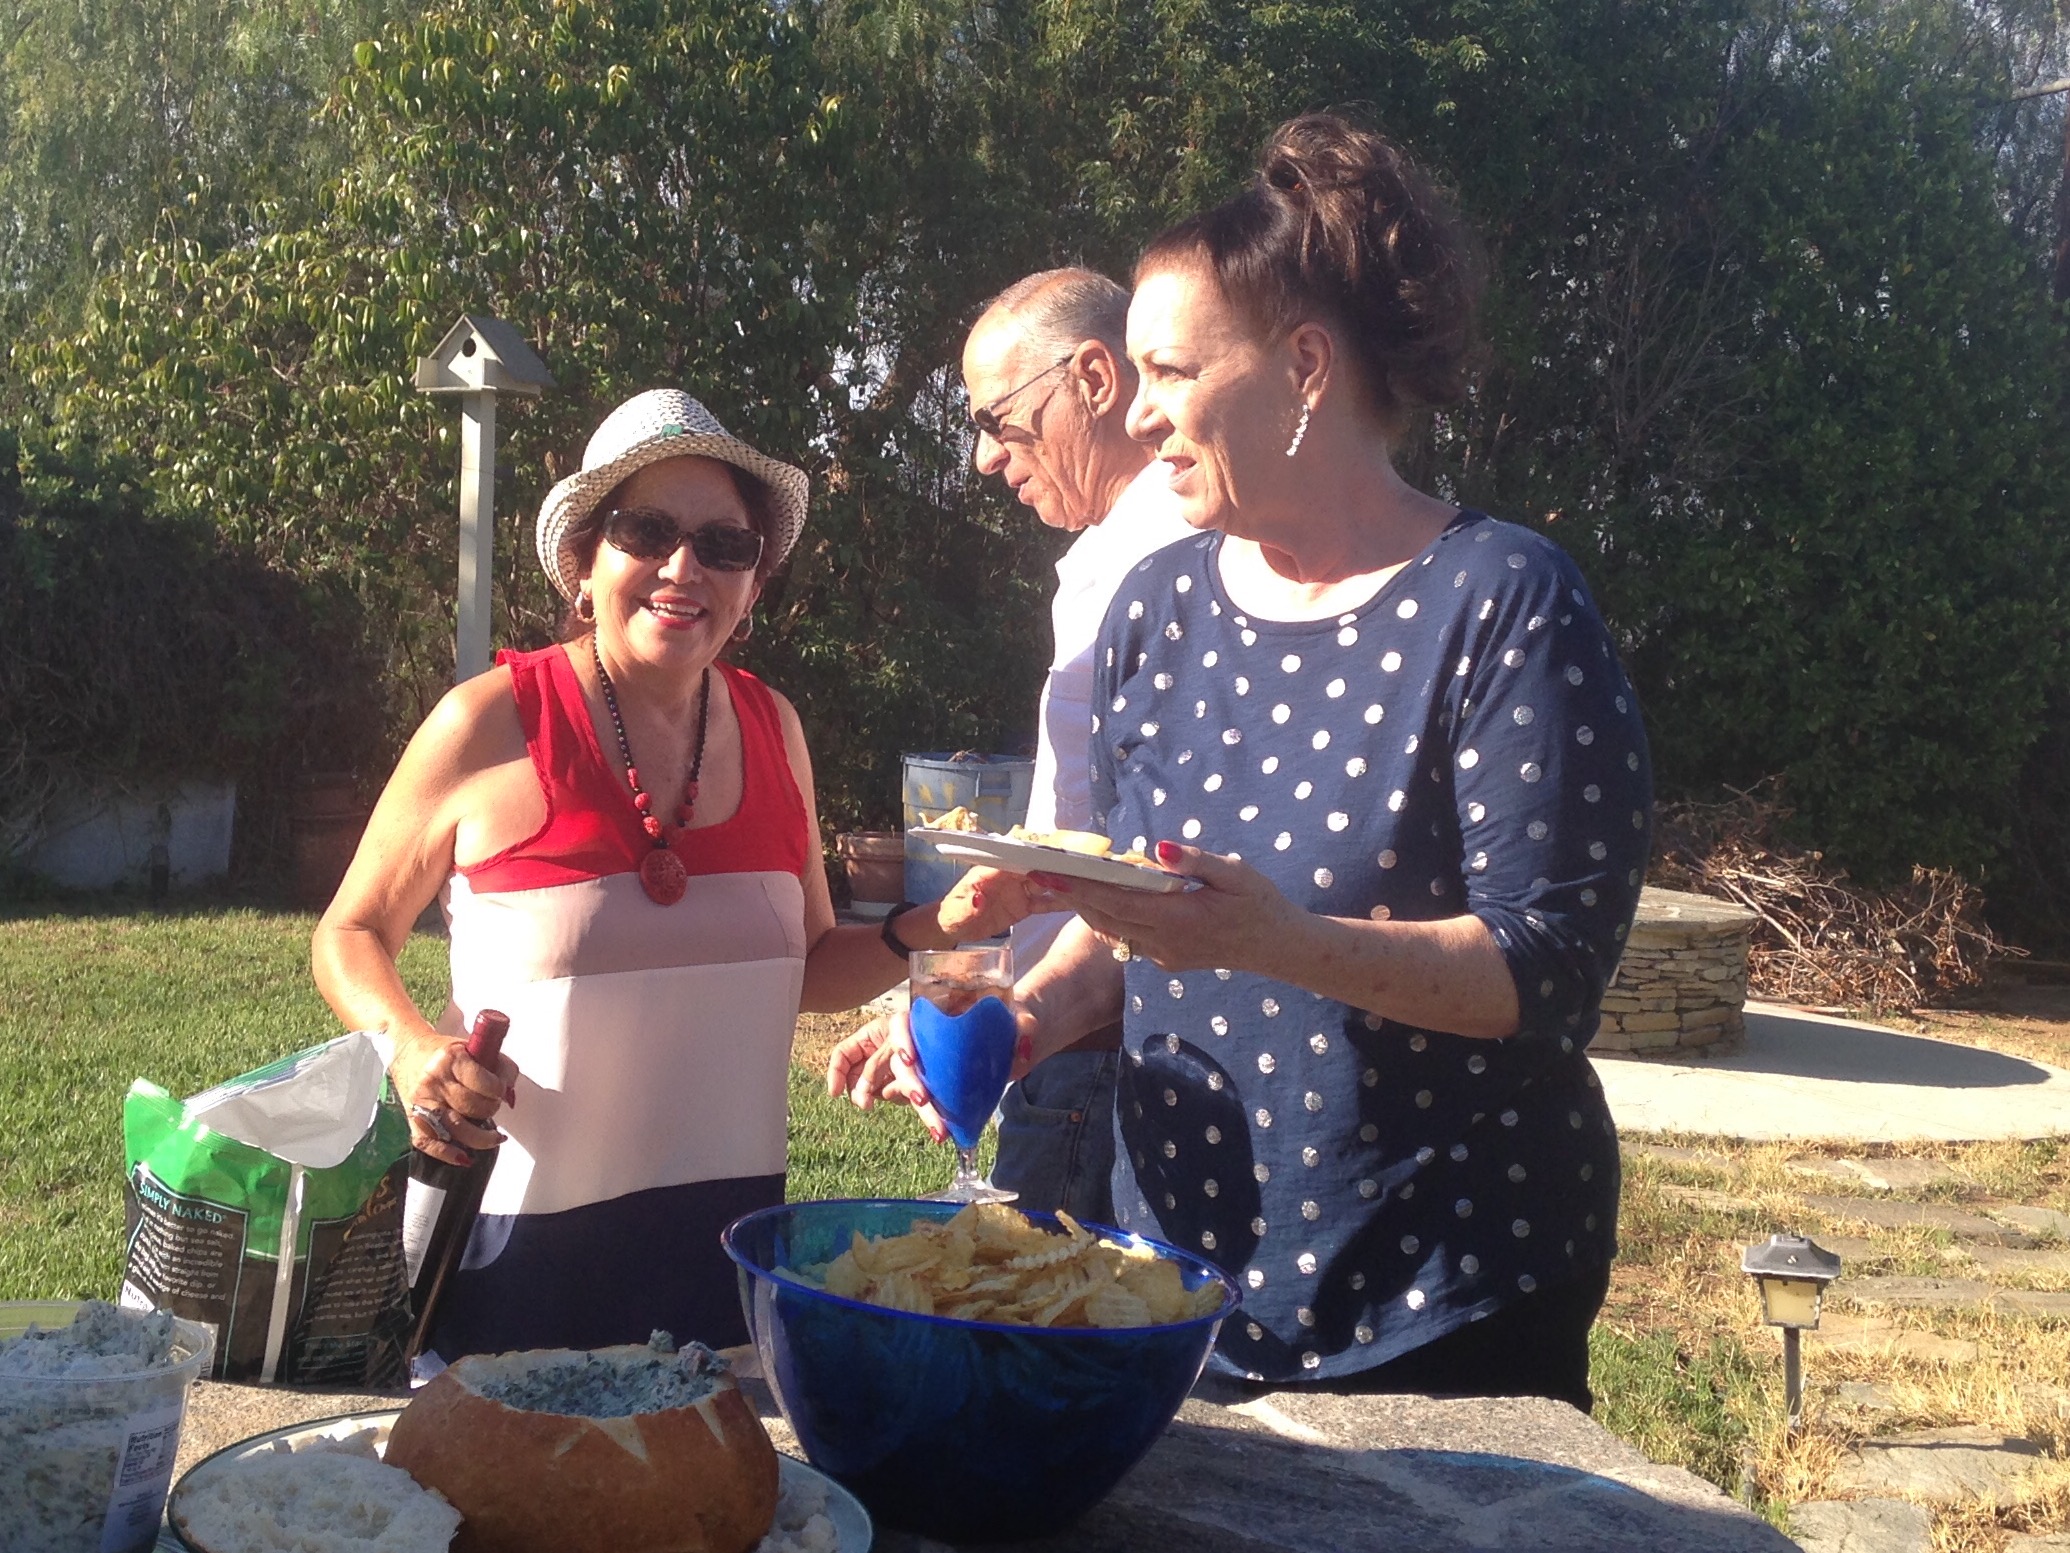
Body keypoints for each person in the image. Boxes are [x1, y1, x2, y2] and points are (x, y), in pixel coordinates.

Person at [838, 114, 1652, 1409]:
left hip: (1434, 1306)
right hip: (1174, 1292)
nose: (1142, 409)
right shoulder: (1155, 607)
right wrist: (1017, 1020)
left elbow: (1544, 974)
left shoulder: (1500, 600)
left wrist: (1271, 939)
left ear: (1307, 366)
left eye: (1167, 370)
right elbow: (1135, 918)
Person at [313, 389, 1030, 1364]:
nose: (683, 566)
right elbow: (349, 932)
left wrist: (926, 926)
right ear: (583, 563)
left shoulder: (775, 727)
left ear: (753, 585)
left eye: (724, 545)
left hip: (719, 1275)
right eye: (646, 530)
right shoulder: (487, 724)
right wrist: (406, 1046)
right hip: (511, 1271)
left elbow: (808, 964)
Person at [830, 269, 1193, 1221]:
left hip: (1101, 1052)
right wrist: (966, 996)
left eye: (997, 419)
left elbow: (1159, 858)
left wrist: (1022, 1011)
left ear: (1094, 379)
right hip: (1058, 1035)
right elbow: (1077, 839)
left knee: (1040, 1340)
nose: (985, 458)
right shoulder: (1117, 554)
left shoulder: (1167, 559)